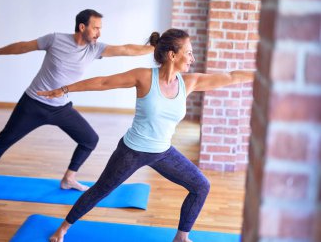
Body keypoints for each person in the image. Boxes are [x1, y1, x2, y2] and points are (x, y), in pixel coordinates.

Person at [37, 28, 254, 242]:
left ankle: (182, 237)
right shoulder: (144, 77)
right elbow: (103, 82)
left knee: (201, 186)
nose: (192, 58)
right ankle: (63, 229)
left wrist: (263, 73)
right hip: (132, 151)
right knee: (100, 190)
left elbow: (230, 77)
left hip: (163, 152)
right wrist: (64, 90)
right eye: (188, 52)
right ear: (172, 55)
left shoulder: (188, 82)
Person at [0, 9, 154, 191]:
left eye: (100, 29)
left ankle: (69, 178)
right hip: (33, 104)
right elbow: (23, 46)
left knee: (89, 139)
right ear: (82, 27)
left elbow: (127, 49)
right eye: (95, 28)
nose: (99, 33)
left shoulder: (95, 49)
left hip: (61, 108)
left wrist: (156, 48)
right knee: (5, 139)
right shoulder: (55, 39)